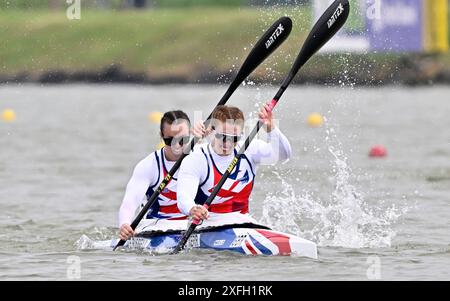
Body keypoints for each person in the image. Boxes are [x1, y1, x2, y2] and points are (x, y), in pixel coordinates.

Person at [177, 104, 292, 223]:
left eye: (234, 138)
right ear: (212, 130)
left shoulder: (249, 150)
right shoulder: (197, 157)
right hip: (206, 225)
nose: (228, 143)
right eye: (223, 136)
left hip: (243, 224)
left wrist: (271, 129)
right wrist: (193, 209)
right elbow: (183, 198)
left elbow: (284, 155)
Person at [118, 110, 193, 241]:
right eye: (170, 140)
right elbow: (129, 203)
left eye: (182, 140)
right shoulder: (149, 165)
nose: (176, 146)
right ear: (161, 136)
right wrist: (125, 224)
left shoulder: (202, 158)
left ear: (191, 134)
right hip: (159, 228)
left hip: (195, 226)